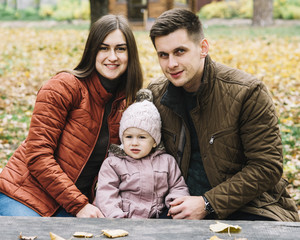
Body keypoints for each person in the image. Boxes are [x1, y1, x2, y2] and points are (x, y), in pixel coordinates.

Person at [147, 8, 299, 221]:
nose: (171, 64)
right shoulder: (155, 95)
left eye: (180, 51)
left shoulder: (247, 92)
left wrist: (208, 203)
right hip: (179, 206)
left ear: (203, 48)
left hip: (252, 207)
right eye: (163, 55)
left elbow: (267, 166)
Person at [0, 14, 143, 217]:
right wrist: (79, 205)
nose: (113, 57)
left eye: (120, 49)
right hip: (25, 194)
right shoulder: (64, 86)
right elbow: (37, 156)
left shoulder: (128, 105)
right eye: (104, 48)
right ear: (92, 51)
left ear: (130, 54)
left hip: (72, 205)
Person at [94, 89, 190, 218]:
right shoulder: (113, 163)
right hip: (124, 218)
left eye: (142, 137)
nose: (134, 143)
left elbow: (177, 186)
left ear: (154, 141)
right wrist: (115, 217)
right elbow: (106, 194)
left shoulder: (166, 161)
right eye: (128, 137)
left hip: (158, 217)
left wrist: (176, 204)